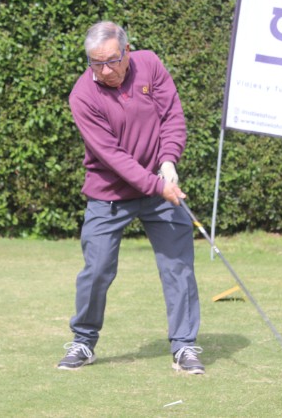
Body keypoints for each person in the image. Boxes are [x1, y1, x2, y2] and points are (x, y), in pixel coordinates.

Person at [57, 21, 204, 374]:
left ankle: (184, 345)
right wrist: (156, 184)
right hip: (109, 194)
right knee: (97, 269)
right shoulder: (82, 95)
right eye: (96, 63)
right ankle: (83, 341)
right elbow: (112, 157)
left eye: (111, 61)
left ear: (127, 51)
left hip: (159, 186)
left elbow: (172, 116)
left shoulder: (149, 64)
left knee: (178, 266)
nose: (105, 71)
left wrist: (168, 161)